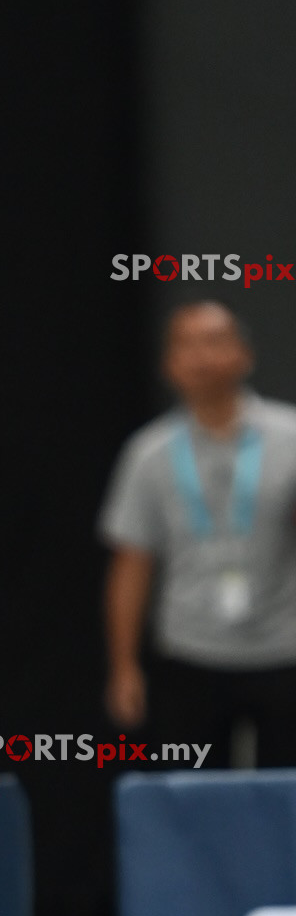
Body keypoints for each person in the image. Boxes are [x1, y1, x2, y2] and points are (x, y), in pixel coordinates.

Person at [101, 300, 296, 765]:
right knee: (192, 791)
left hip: (284, 648)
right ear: (168, 364)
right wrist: (124, 667)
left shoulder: (290, 438)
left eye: (214, 341)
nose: (201, 357)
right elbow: (132, 565)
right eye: (186, 345)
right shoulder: (148, 453)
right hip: (190, 652)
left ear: (244, 354)